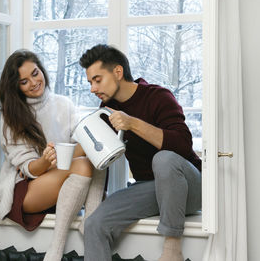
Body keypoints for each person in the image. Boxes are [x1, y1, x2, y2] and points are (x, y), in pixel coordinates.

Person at [79, 44, 202, 261]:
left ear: (118, 72)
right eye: (90, 82)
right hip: (149, 188)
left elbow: (183, 145)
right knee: (94, 224)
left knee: (163, 158)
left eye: (97, 80)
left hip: (187, 187)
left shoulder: (158, 96)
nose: (92, 88)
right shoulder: (107, 109)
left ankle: (172, 248)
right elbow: (97, 151)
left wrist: (132, 123)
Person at [0, 49, 106, 261]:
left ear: (42, 70)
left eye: (35, 73)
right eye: (24, 81)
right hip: (26, 187)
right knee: (83, 164)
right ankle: (57, 248)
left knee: (97, 149)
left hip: (59, 176)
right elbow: (27, 169)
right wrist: (45, 161)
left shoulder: (63, 104)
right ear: (15, 87)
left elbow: (83, 143)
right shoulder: (12, 115)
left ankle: (91, 219)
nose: (34, 82)